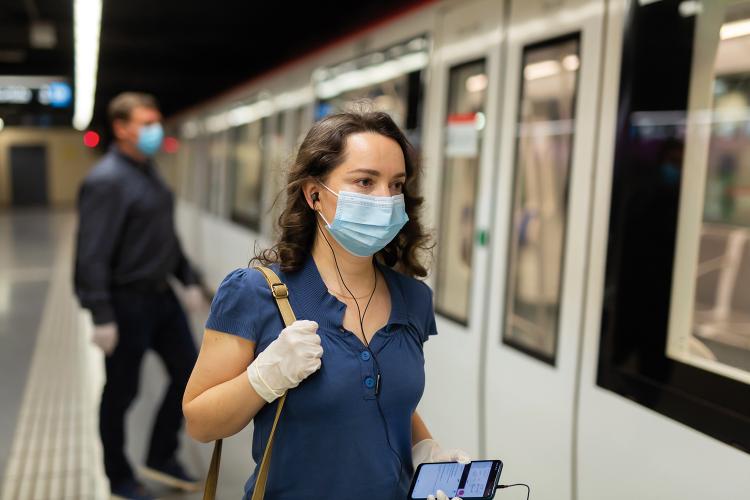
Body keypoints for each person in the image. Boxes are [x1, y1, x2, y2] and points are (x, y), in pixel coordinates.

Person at [183, 109, 469, 500]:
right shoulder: (256, 293)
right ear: (314, 194)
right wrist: (263, 379)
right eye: (365, 182)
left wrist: (427, 451)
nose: (385, 199)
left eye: (396, 184)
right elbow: (199, 422)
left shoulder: (413, 299)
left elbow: (384, 397)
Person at [74, 92, 204, 500]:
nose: (154, 129)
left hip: (162, 299)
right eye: (145, 123)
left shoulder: (149, 172)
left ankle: (161, 455)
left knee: (191, 375)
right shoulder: (106, 181)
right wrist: (100, 314)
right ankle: (118, 476)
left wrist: (189, 278)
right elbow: (91, 252)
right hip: (126, 304)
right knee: (121, 393)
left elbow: (164, 236)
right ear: (121, 128)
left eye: (156, 120)